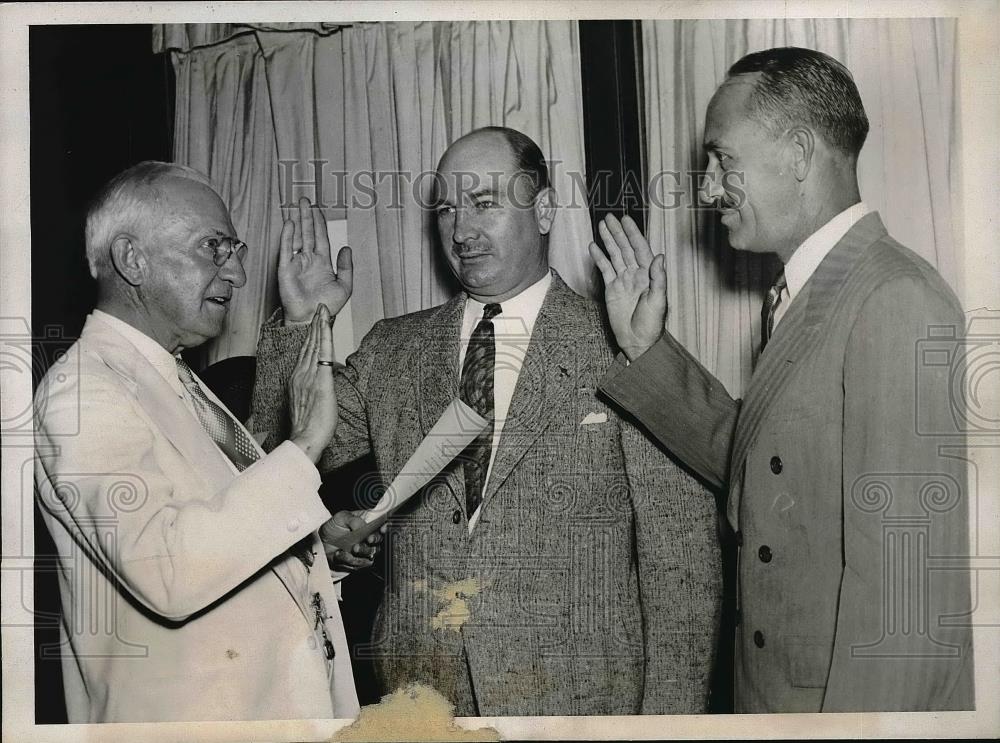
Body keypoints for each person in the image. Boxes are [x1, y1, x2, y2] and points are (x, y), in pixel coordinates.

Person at [251, 126, 722, 715]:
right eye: (447, 209)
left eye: (484, 204)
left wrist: (667, 729)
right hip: (420, 704)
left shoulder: (625, 349)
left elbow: (680, 566)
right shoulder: (393, 350)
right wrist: (300, 322)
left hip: (578, 711)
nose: (462, 231)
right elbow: (269, 460)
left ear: (544, 210)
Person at [589, 47, 974, 712]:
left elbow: (904, 609)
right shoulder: (814, 291)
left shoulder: (895, 297)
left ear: (798, 154)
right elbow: (768, 470)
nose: (708, 189)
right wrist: (645, 348)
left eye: (722, 160)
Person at [33, 161, 379, 722]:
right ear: (132, 260)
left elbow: (222, 525)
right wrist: (305, 447)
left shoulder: (174, 379)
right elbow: (167, 570)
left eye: (234, 250)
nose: (237, 275)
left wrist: (315, 548)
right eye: (212, 247)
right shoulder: (82, 392)